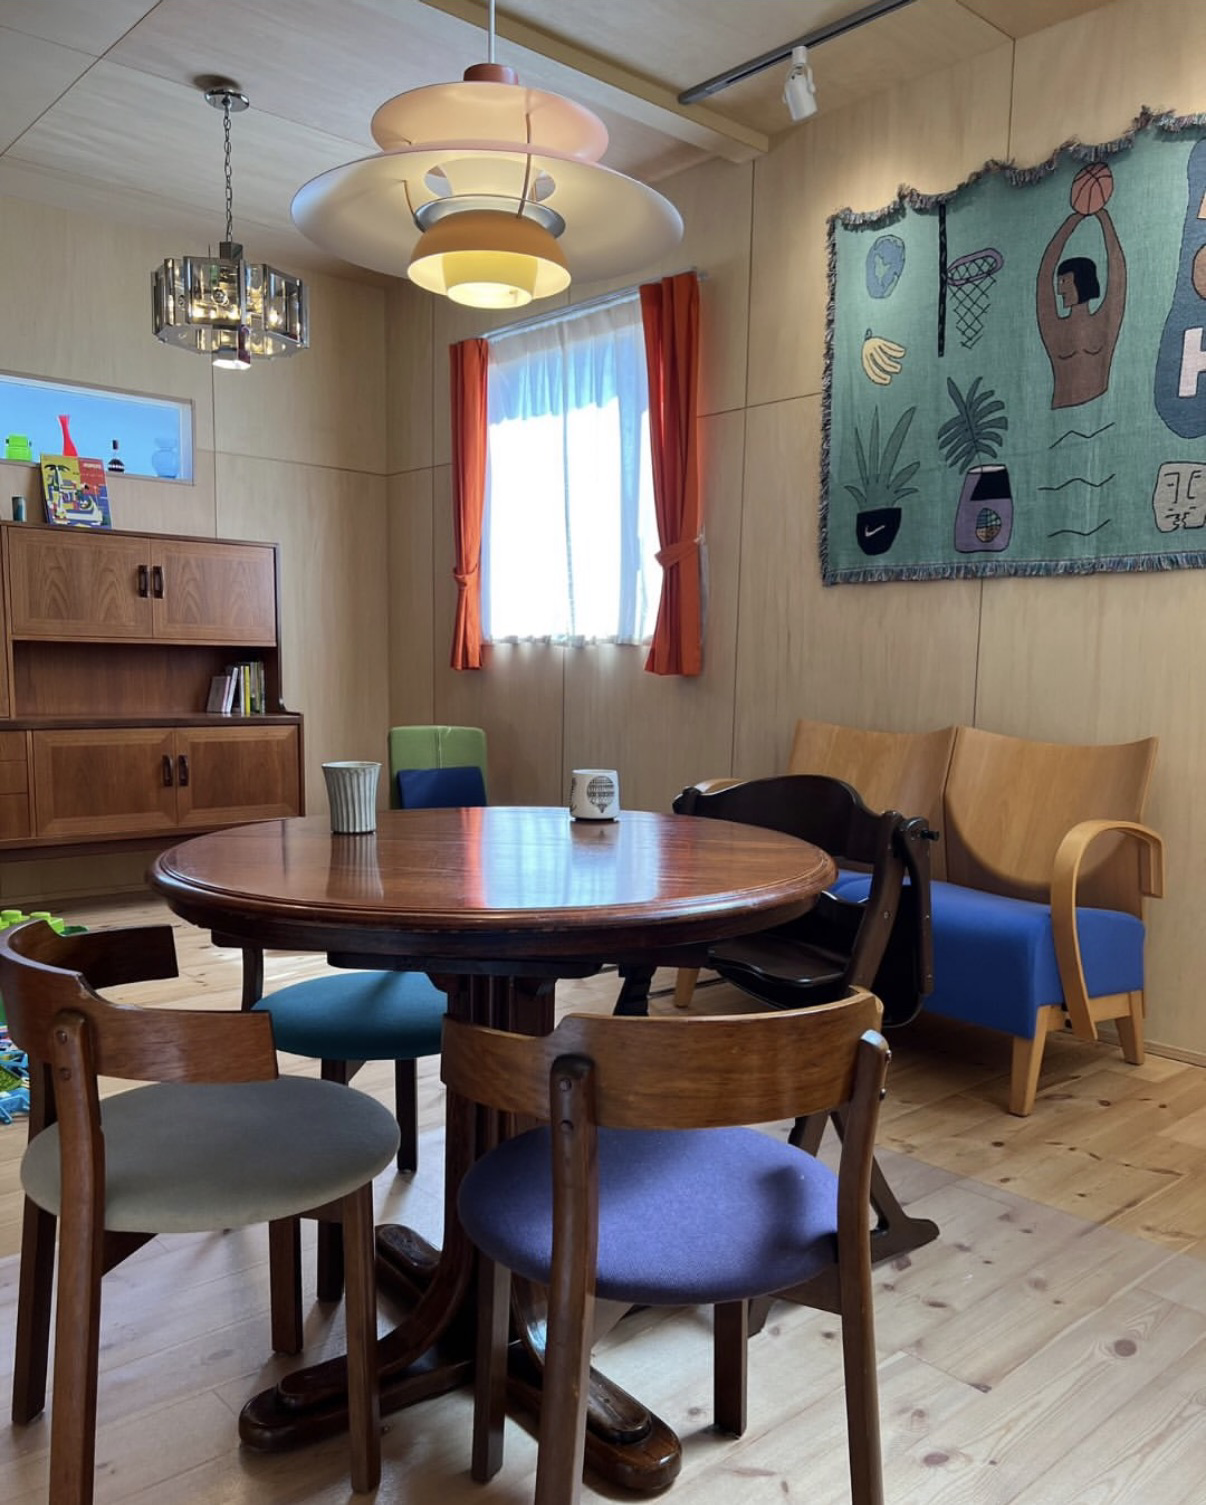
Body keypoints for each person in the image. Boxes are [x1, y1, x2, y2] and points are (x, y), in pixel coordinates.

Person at [1036, 207, 1126, 408]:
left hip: (1101, 409)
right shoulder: (1055, 329)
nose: (1059, 290)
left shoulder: (1105, 322)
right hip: (1060, 410)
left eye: (1064, 282)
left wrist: (1104, 217)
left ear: (1082, 281)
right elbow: (1044, 275)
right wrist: (1071, 222)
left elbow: (1117, 272)